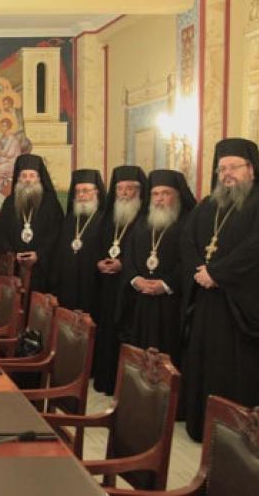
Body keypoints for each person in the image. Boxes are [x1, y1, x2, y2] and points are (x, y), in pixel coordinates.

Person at [181, 138, 259, 441]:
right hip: (210, 305)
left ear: (251, 169)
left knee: (241, 372)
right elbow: (187, 240)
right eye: (222, 169)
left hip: (245, 310)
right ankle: (207, 426)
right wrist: (199, 271)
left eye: (233, 167)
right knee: (211, 367)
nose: (227, 174)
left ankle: (242, 436)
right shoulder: (208, 205)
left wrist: (217, 273)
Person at [123, 169, 195, 371]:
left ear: (178, 195)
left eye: (165, 193)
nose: (159, 199)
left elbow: (191, 261)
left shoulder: (189, 222)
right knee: (140, 356)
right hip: (141, 301)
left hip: (172, 303)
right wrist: (135, 279)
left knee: (168, 360)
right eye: (155, 194)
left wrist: (166, 284)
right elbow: (128, 255)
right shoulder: (142, 222)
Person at [91, 165, 146, 395]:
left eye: (130, 189)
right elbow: (95, 244)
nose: (124, 193)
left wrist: (123, 265)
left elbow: (146, 253)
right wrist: (98, 261)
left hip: (129, 289)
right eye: (120, 189)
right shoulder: (107, 217)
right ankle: (105, 380)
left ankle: (123, 387)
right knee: (106, 332)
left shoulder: (144, 219)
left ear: (139, 191)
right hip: (106, 286)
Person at [0, 154, 63, 292]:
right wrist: (12, 254)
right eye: (24, 176)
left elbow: (56, 233)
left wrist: (39, 254)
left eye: (32, 176)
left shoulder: (51, 203)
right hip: (15, 270)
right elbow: (1, 233)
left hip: (43, 270)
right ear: (18, 178)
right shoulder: (9, 203)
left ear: (39, 178)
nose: (27, 180)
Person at [52, 169, 106, 312]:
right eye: (78, 191)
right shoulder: (69, 219)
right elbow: (59, 252)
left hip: (92, 282)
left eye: (86, 190)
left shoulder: (104, 220)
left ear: (96, 192)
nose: (81, 195)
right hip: (67, 284)